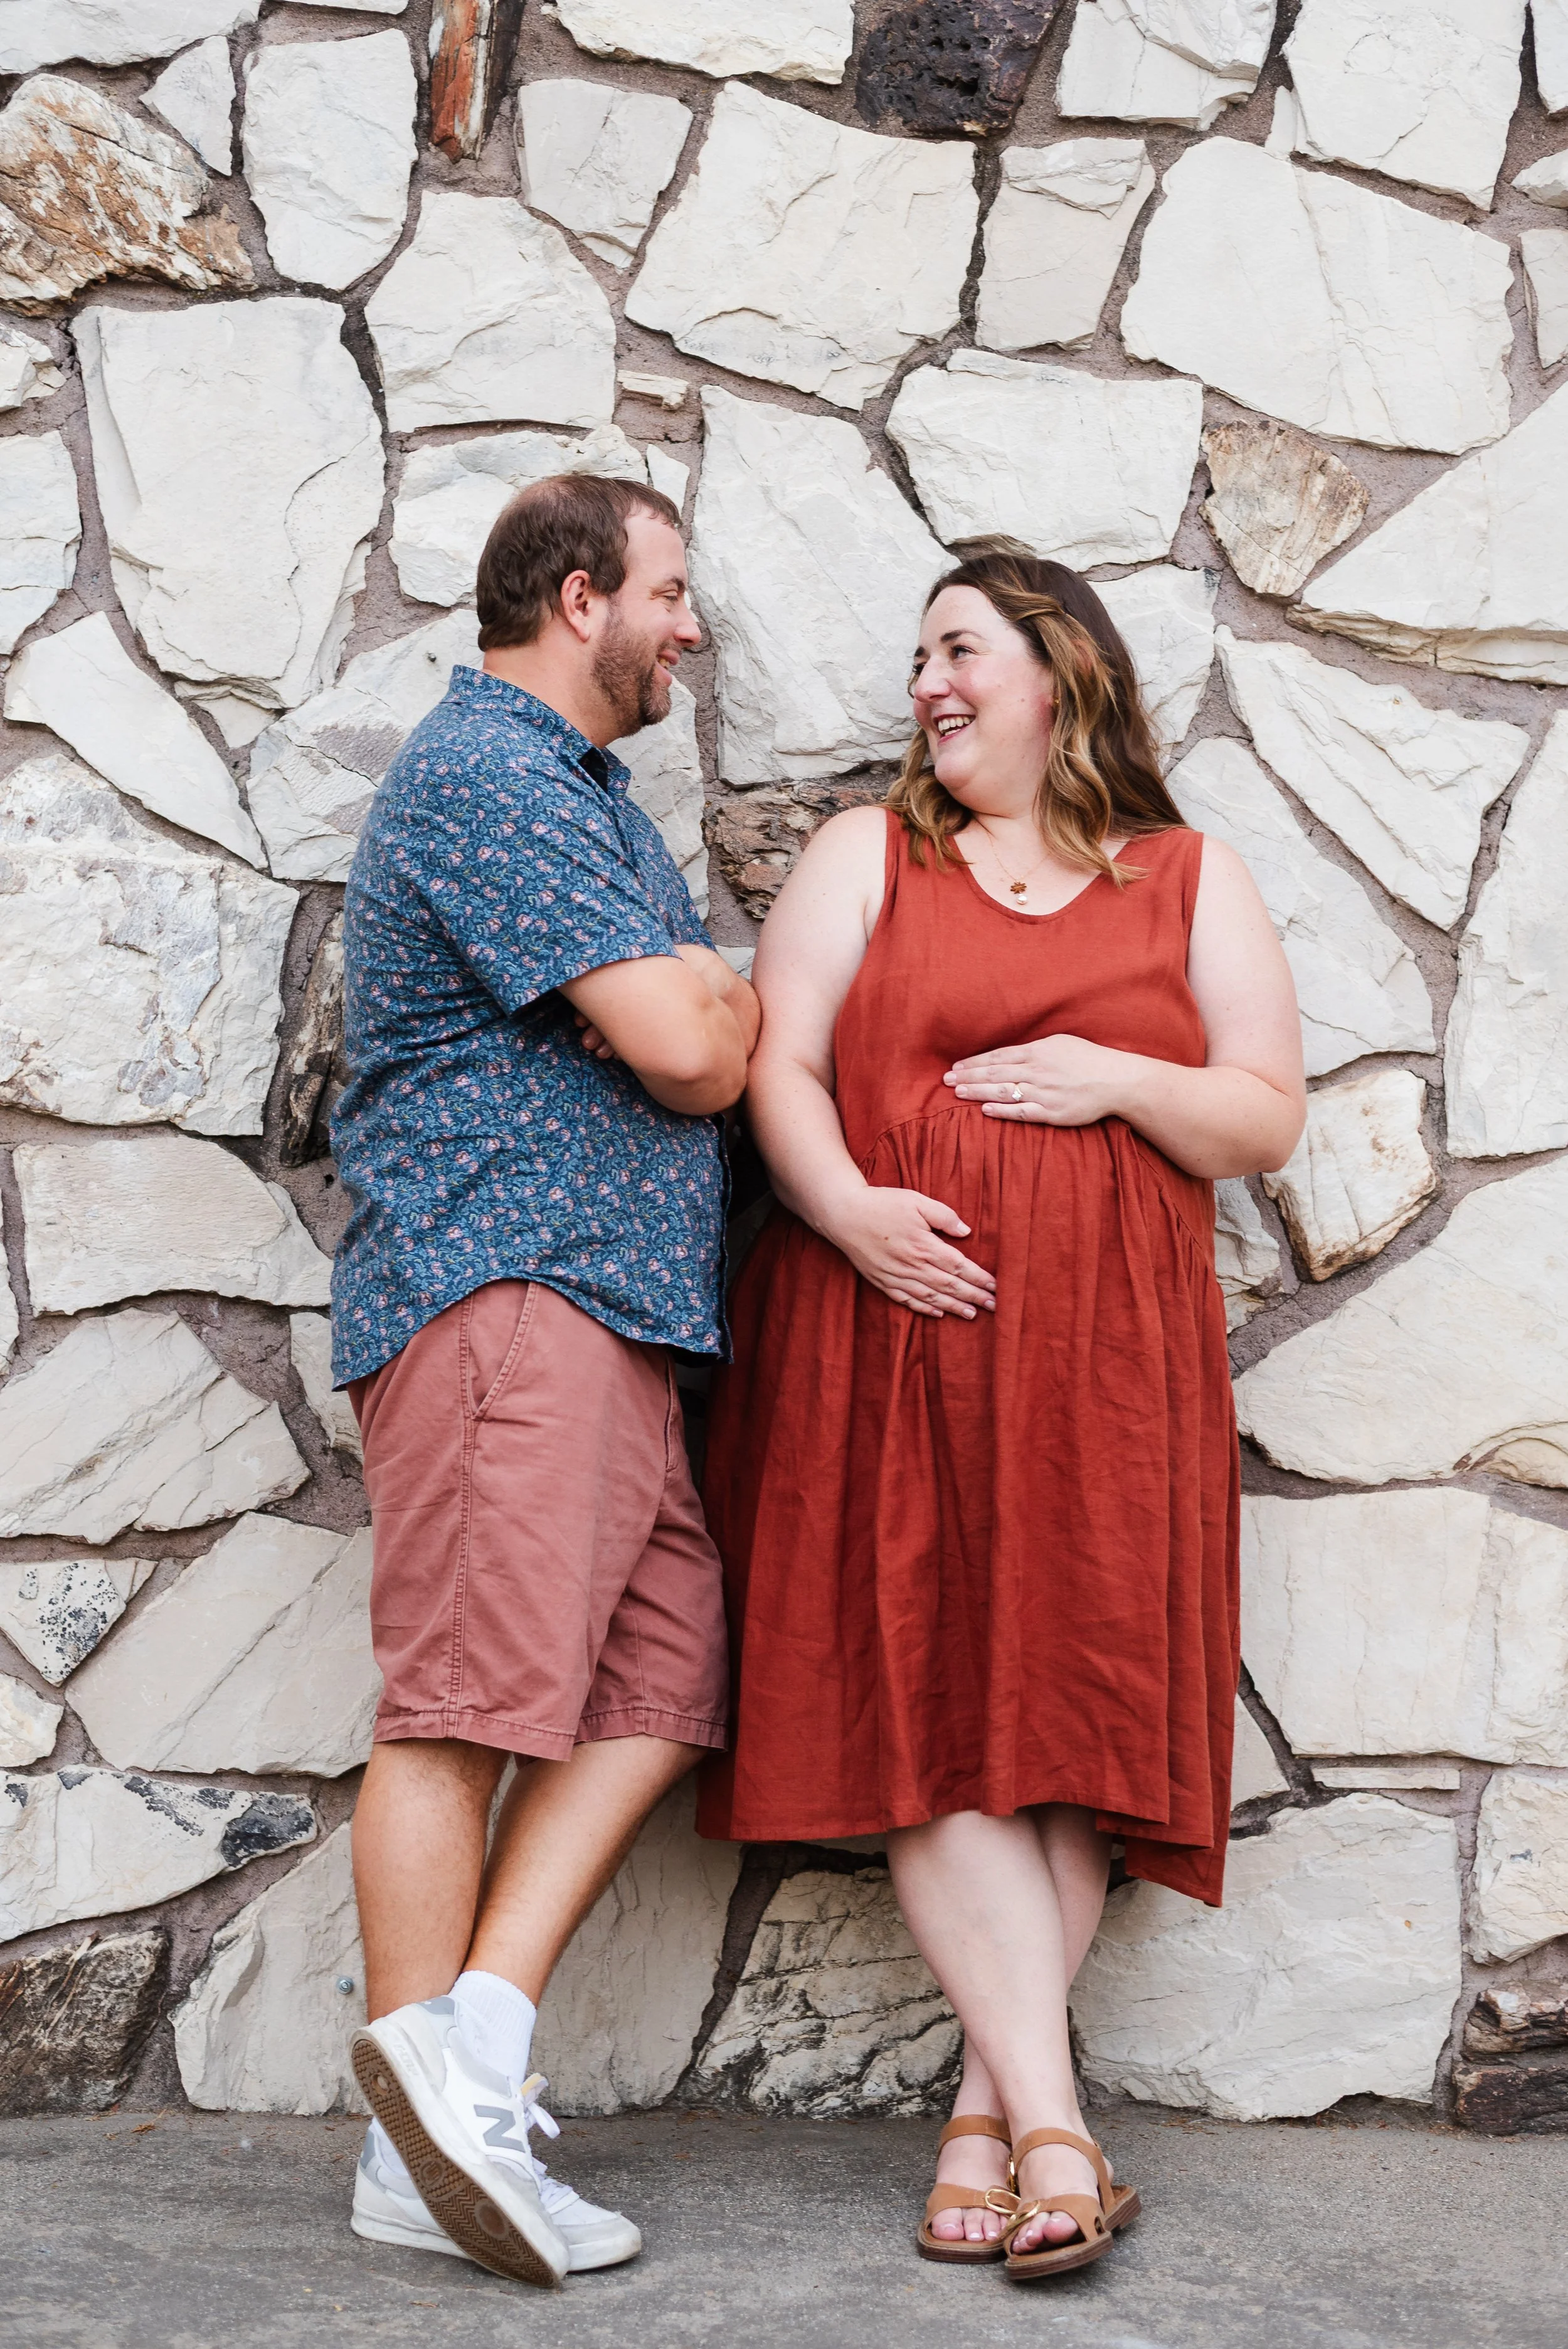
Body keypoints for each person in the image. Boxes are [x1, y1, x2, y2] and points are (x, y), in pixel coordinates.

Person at [696, 545, 1305, 2281]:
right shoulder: (867, 854)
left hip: (1110, 1366)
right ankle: (1054, 2128)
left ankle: (992, 2111)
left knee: (1070, 1731)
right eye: (914, 657)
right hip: (893, 1335)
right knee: (932, 1705)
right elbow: (779, 1063)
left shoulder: (1185, 875)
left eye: (959, 649)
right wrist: (847, 1214)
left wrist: (1118, 1077)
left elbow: (1261, 1115)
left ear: (1059, 675)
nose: (927, 685)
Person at [330, 474, 759, 2289]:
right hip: (507, 1290)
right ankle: (409, 2128)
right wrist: (706, 999)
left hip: (606, 1316)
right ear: (580, 598)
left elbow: (688, 1021)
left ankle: (467, 2065)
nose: (690, 632)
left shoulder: (578, 799)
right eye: (670, 596)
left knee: (663, 1680)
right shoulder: (497, 772)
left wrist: (695, 996)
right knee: (463, 1705)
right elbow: (690, 1052)